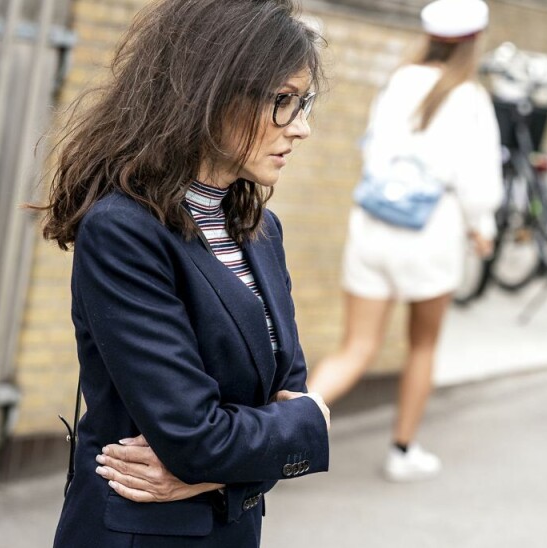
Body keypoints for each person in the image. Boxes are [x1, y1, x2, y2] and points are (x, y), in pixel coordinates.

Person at [32, 0, 330, 545]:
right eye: (283, 101)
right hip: (141, 533)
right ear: (211, 91)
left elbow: (288, 396)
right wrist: (302, 430)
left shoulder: (261, 231)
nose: (302, 127)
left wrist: (215, 472)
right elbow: (199, 434)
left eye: (304, 102)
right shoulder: (123, 231)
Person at [306, 0, 502, 482]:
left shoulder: (398, 81)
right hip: (430, 235)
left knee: (355, 346)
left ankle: (279, 430)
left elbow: (371, 149)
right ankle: (402, 450)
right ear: (473, 42)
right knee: (422, 345)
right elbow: (479, 184)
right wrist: (484, 228)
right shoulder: (470, 97)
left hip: (372, 226)